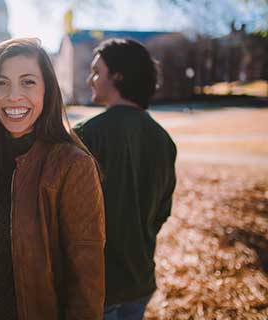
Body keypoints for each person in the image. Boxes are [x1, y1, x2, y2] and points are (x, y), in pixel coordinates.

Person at [0, 38, 106, 320]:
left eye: (28, 82)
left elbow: (86, 286)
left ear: (47, 91)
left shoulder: (72, 166)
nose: (13, 95)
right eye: (1, 83)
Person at [74, 38, 177, 320]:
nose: (90, 79)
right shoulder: (164, 141)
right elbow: (162, 212)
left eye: (97, 71)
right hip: (139, 282)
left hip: (95, 285)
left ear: (117, 75)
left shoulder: (85, 134)